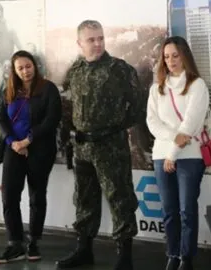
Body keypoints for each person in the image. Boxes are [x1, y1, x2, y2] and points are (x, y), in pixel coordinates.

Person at [56, 20, 143, 270]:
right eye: (91, 39)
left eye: (101, 38)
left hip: (110, 147)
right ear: (79, 43)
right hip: (82, 147)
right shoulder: (75, 71)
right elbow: (67, 105)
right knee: (84, 199)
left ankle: (124, 257)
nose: (97, 44)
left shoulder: (120, 70)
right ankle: (84, 250)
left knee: (120, 199)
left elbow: (136, 107)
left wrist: (111, 129)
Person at [0, 50, 62, 264]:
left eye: (28, 66)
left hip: (39, 150)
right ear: (14, 70)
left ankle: (33, 242)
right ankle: (15, 243)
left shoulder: (48, 88)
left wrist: (27, 140)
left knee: (36, 196)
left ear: (35, 66)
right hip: (13, 149)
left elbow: (52, 119)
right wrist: (12, 142)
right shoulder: (8, 89)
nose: (25, 71)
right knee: (9, 197)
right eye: (20, 68)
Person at [146, 36, 209, 270]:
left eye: (175, 55)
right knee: (169, 210)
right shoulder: (157, 88)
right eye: (166, 56)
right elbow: (152, 122)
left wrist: (173, 154)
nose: (171, 60)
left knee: (186, 209)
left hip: (189, 157)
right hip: (161, 155)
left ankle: (186, 257)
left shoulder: (197, 85)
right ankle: (172, 254)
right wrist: (173, 140)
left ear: (184, 56)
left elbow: (190, 125)